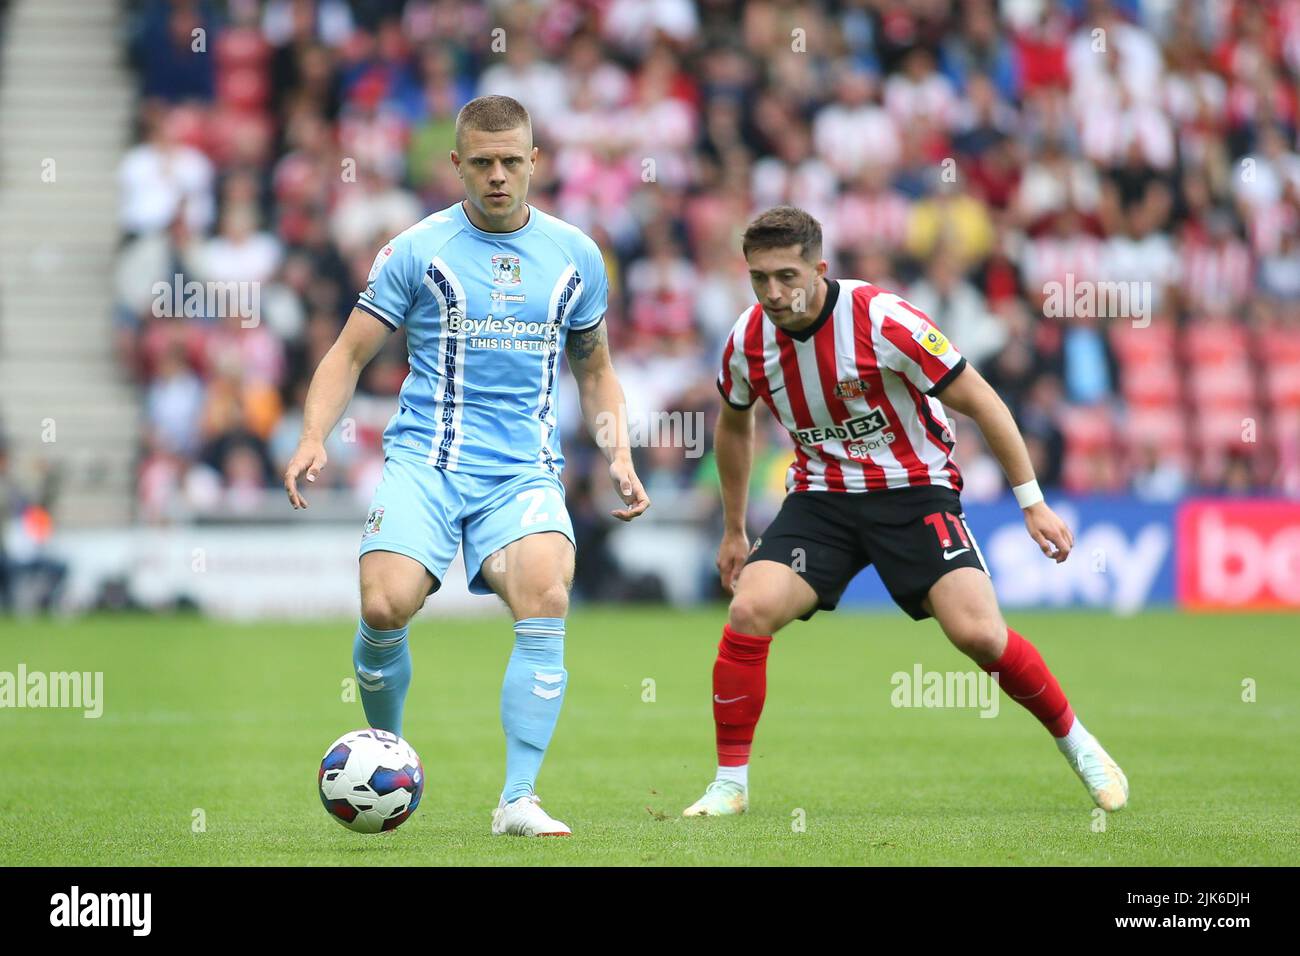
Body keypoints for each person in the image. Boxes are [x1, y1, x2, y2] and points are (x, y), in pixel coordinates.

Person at [683, 205, 1127, 816]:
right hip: (823, 499)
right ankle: (730, 785)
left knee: (977, 633)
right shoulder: (746, 341)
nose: (774, 292)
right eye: (760, 278)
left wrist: (1033, 503)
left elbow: (982, 400)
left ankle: (1080, 746)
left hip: (914, 491)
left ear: (820, 267)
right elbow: (734, 427)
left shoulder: (883, 320)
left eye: (787, 276)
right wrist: (735, 528)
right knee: (749, 609)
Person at [284, 95, 650, 837]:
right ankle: (388, 749)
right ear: (456, 164)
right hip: (427, 461)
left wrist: (618, 450)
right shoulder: (415, 250)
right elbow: (348, 353)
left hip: (521, 470)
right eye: (481, 162)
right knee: (384, 606)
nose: (497, 176)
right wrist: (312, 436)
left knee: (546, 595)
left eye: (512, 161)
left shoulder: (577, 254)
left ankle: (517, 799)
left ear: (535, 162)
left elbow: (596, 367)